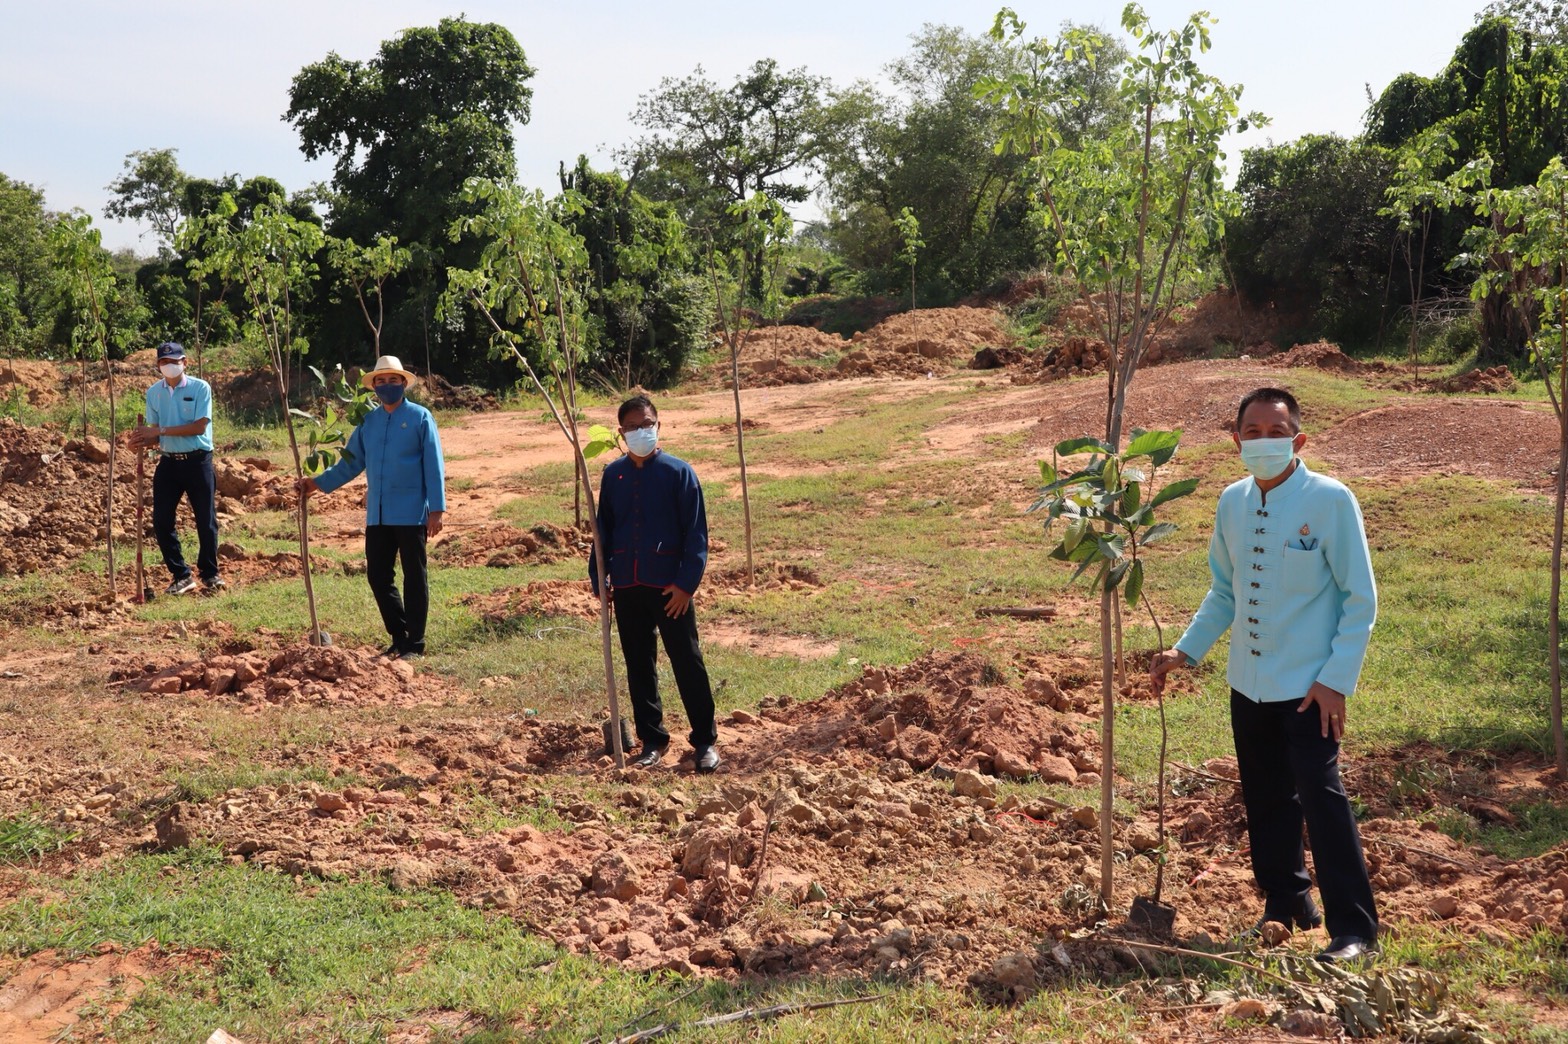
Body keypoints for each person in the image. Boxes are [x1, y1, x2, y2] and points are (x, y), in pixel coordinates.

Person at [1149, 387, 1379, 963]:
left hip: (1309, 689)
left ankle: (1354, 930)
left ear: (1297, 440)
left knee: (1322, 800)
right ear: (1235, 442)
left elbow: (1361, 600)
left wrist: (1335, 680)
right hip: (1248, 683)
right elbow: (1224, 591)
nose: (1263, 441)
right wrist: (1185, 652)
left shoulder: (1329, 500)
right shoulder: (1232, 502)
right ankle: (1287, 905)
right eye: (1251, 432)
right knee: (1265, 797)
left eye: (1275, 431)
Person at [590, 394, 720, 773]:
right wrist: (601, 579)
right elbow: (604, 530)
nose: (640, 431)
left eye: (647, 424)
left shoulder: (679, 474)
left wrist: (686, 585)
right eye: (632, 427)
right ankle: (652, 739)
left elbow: (696, 535)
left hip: (670, 590)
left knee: (687, 661)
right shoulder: (613, 475)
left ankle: (705, 741)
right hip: (628, 585)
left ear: (659, 425)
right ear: (621, 432)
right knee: (639, 664)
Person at [296, 355, 445, 659]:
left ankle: (415, 643)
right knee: (378, 575)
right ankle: (399, 635)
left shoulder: (420, 418)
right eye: (381, 381)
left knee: (414, 576)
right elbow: (350, 464)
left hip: (412, 510)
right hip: (378, 513)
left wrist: (437, 510)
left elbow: (434, 464)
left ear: (403, 383)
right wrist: (317, 483)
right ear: (374, 386)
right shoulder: (368, 422)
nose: (387, 386)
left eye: (393, 380)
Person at [128, 341, 223, 595]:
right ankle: (181, 575)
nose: (169, 366)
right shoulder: (154, 393)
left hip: (198, 460)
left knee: (206, 519)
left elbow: (199, 426)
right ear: (158, 365)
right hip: (169, 462)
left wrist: (158, 431)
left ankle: (210, 573)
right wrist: (139, 441)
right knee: (161, 520)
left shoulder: (200, 388)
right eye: (164, 362)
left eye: (174, 361)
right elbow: (154, 435)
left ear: (185, 362)